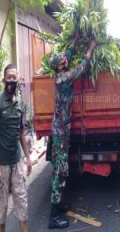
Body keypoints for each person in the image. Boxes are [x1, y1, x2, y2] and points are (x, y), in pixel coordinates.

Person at [48, 39, 96, 229]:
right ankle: (53, 217)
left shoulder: (60, 71)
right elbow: (82, 67)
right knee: (61, 171)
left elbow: (67, 54)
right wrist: (90, 49)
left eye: (64, 61)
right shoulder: (64, 78)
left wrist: (76, 40)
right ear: (58, 68)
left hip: (60, 129)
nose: (65, 62)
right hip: (60, 132)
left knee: (58, 169)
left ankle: (58, 205)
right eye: (62, 63)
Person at [0, 64, 32, 232]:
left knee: (22, 204)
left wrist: (28, 158)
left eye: (15, 77)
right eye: (9, 77)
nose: (12, 80)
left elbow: (21, 132)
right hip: (3, 164)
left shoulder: (19, 103)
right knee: (2, 208)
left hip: (17, 162)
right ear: (4, 79)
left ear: (18, 79)